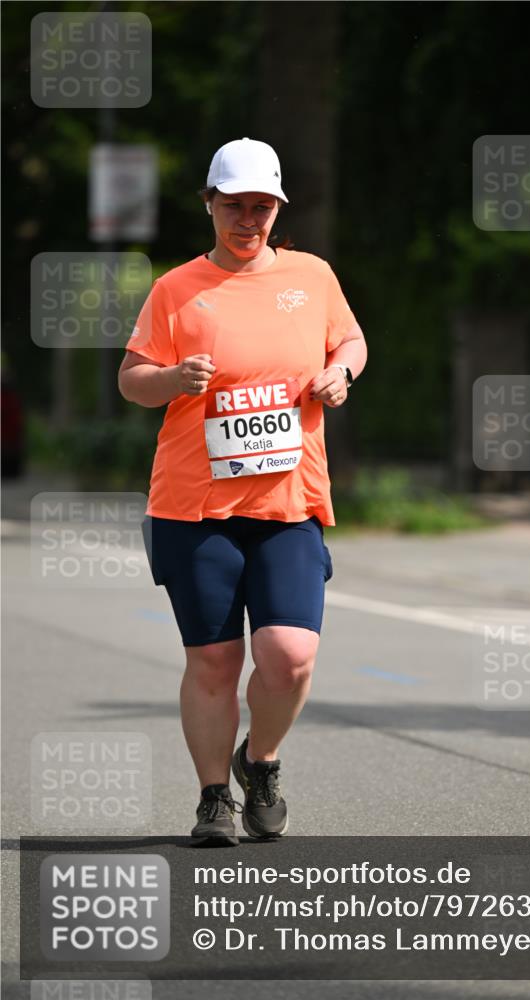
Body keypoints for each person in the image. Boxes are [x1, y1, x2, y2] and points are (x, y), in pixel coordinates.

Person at [118, 137, 367, 845]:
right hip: (195, 506)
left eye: (261, 206)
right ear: (209, 204)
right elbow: (132, 380)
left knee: (290, 655)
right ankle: (212, 799)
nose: (247, 219)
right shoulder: (176, 288)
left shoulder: (311, 276)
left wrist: (341, 374)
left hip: (289, 503)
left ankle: (259, 762)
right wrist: (172, 379)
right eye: (234, 205)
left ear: (278, 209)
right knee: (216, 660)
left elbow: (350, 341)